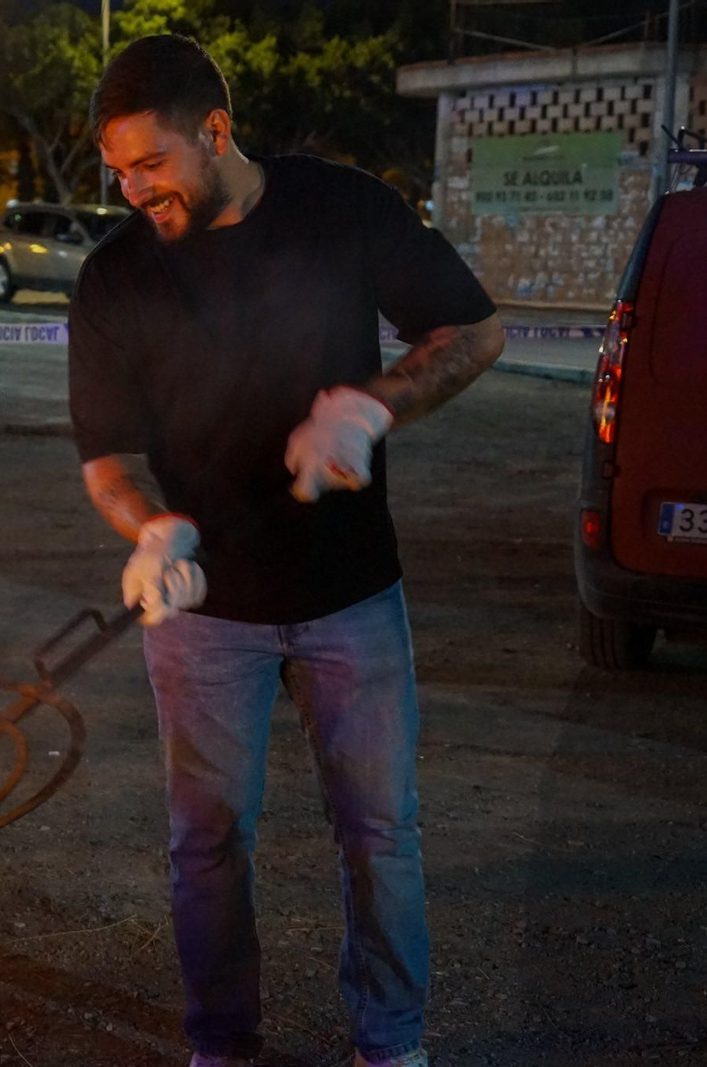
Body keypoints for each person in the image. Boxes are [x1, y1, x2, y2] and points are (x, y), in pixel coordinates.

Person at [68, 36, 505, 1067]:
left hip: (351, 592)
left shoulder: (341, 210)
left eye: (151, 163)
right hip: (202, 614)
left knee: (381, 836)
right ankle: (221, 1046)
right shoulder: (116, 273)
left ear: (214, 131)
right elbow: (106, 454)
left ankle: (390, 1046)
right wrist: (149, 527)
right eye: (117, 170)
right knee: (206, 844)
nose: (134, 190)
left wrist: (373, 406)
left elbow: (474, 332)